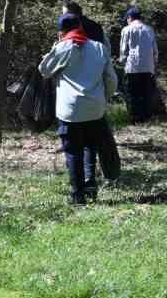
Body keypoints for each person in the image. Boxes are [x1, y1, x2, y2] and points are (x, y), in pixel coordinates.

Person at [38, 12, 119, 205]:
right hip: (95, 109)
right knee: (91, 145)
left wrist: (55, 48)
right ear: (81, 27)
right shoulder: (99, 48)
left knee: (73, 151)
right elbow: (111, 80)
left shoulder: (62, 48)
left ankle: (78, 195)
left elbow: (44, 70)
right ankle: (91, 185)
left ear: (61, 31)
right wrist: (103, 98)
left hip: (69, 111)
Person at [118, 5, 160, 123]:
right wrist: (154, 63)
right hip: (148, 67)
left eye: (127, 18)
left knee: (133, 94)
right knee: (146, 93)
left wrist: (122, 61)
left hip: (132, 67)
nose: (127, 20)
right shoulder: (149, 29)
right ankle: (147, 117)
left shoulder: (126, 30)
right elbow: (154, 49)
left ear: (130, 17)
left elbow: (123, 50)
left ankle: (135, 119)